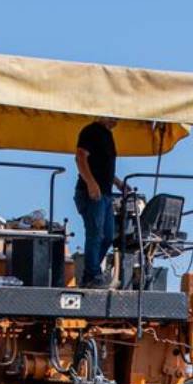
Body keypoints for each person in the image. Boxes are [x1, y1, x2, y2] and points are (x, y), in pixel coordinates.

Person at [74, 117, 124, 287]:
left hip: (106, 194)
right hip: (92, 193)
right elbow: (80, 158)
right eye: (114, 116)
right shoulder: (91, 131)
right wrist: (91, 183)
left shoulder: (107, 135)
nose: (116, 121)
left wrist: (119, 183)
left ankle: (91, 272)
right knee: (95, 233)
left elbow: (103, 165)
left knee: (108, 236)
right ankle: (92, 275)